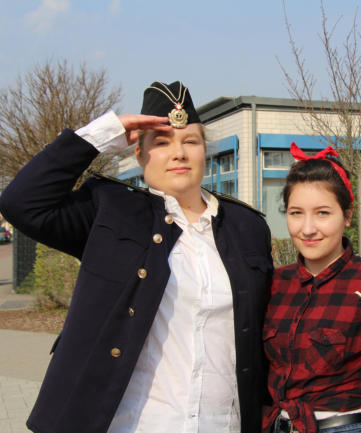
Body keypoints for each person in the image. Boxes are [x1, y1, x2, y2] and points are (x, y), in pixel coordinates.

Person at [0, 81, 273, 433]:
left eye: (190, 141)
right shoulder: (111, 209)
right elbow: (22, 203)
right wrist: (105, 133)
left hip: (223, 423)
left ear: (205, 151)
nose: (179, 153)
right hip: (133, 423)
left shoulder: (246, 226)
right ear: (139, 154)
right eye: (161, 142)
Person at [262, 143, 361, 433]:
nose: (308, 228)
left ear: (347, 215)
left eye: (322, 213)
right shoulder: (275, 284)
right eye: (296, 213)